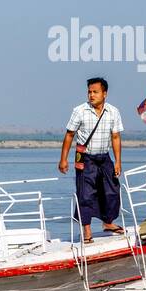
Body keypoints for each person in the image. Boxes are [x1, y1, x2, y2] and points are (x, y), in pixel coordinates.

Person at [59, 76, 125, 243]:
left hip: (104, 157)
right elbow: (69, 135)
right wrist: (63, 159)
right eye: (89, 92)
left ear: (105, 93)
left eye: (95, 92)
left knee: (112, 190)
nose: (91, 95)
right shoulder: (79, 110)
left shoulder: (113, 111)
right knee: (85, 194)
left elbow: (116, 137)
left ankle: (108, 222)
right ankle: (87, 230)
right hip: (85, 157)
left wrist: (118, 161)